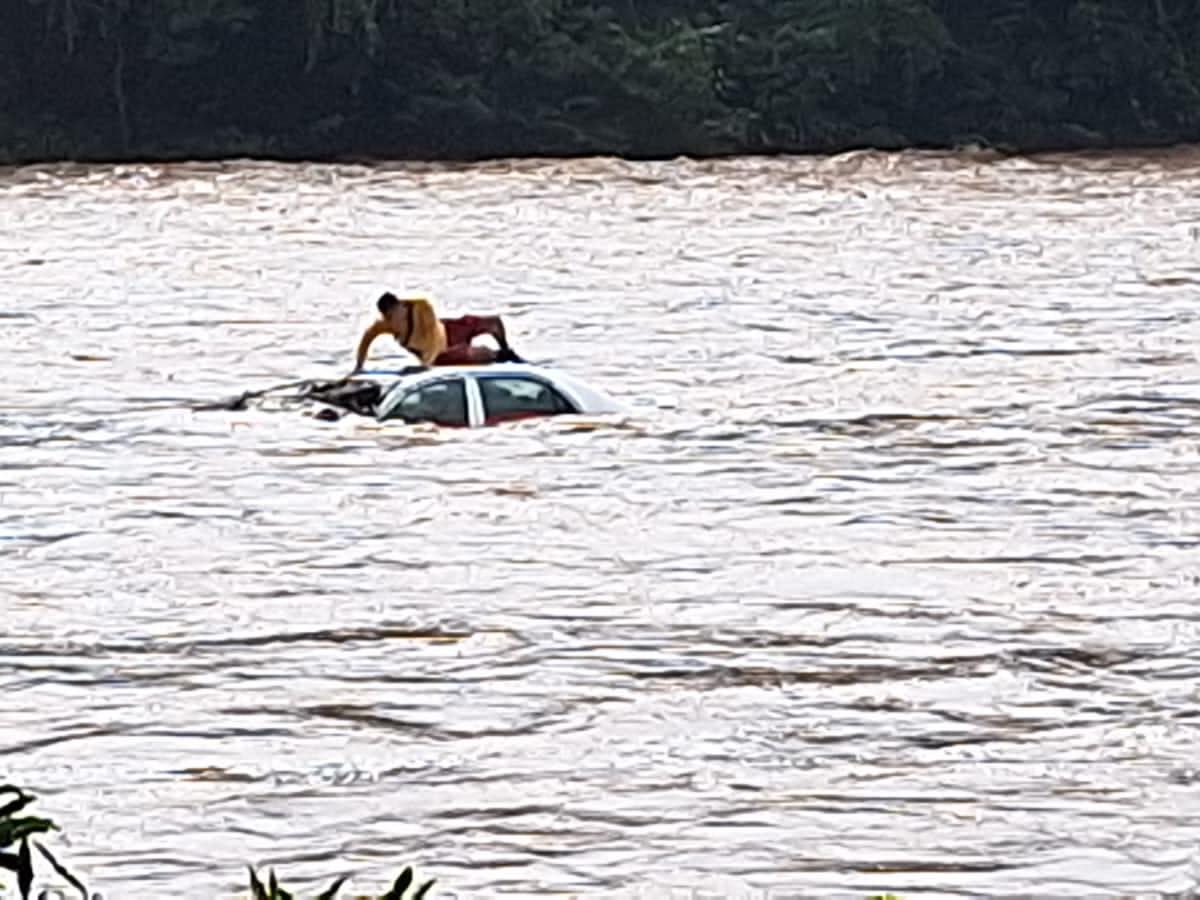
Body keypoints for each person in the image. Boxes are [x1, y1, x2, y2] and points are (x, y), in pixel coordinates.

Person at [353, 292, 522, 372]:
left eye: (392, 315)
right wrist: (359, 366)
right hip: (441, 354)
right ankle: (502, 356)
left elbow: (432, 335)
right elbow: (366, 339)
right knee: (483, 355)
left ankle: (508, 351)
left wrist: (426, 364)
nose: (391, 321)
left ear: (401, 307)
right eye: (387, 317)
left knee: (493, 323)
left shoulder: (421, 308)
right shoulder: (385, 325)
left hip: (445, 332)